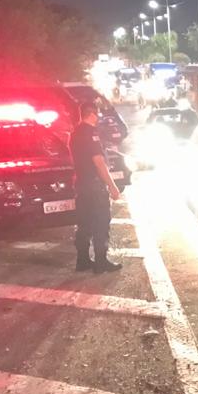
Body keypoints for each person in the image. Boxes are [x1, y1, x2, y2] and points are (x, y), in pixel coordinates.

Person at [69, 102, 122, 273]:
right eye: (97, 114)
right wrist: (112, 187)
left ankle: (82, 260)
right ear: (91, 114)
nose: (98, 117)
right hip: (94, 186)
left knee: (84, 223)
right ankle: (101, 261)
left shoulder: (75, 133)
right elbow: (98, 162)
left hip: (82, 184)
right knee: (100, 223)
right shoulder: (90, 133)